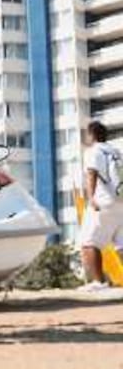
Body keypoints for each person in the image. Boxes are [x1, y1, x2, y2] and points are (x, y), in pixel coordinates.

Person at [80, 121, 123, 290]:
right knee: (121, 244)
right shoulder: (116, 151)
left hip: (104, 201)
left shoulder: (93, 151)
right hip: (121, 201)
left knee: (89, 242)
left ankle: (99, 282)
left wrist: (91, 198)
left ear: (92, 135)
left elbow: (92, 172)